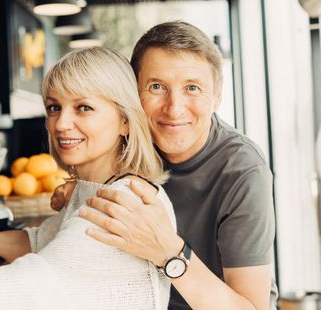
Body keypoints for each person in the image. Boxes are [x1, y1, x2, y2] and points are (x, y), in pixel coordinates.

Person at [0, 47, 176, 309]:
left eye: (83, 107)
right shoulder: (103, 187)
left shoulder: (121, 203)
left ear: (125, 120)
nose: (61, 123)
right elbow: (40, 241)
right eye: (54, 107)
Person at [52, 21, 278, 309]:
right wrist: (82, 192)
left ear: (217, 96)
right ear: (133, 94)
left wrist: (170, 252)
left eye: (192, 88)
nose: (174, 108)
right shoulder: (131, 141)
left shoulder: (243, 171)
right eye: (156, 86)